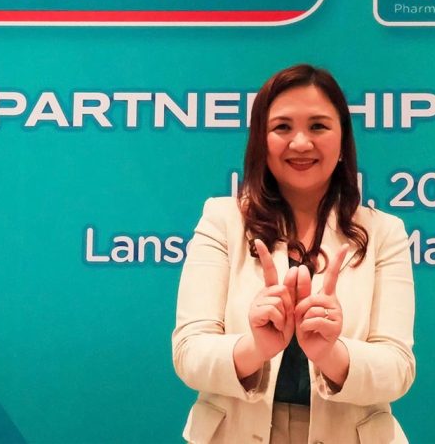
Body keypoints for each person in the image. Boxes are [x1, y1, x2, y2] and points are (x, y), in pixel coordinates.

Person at [172, 64, 415, 444]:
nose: (301, 143)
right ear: (260, 140)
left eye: (318, 126)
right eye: (282, 127)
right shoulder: (221, 220)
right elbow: (189, 354)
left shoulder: (384, 232)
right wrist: (255, 348)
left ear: (342, 140)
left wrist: (332, 354)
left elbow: (398, 369)